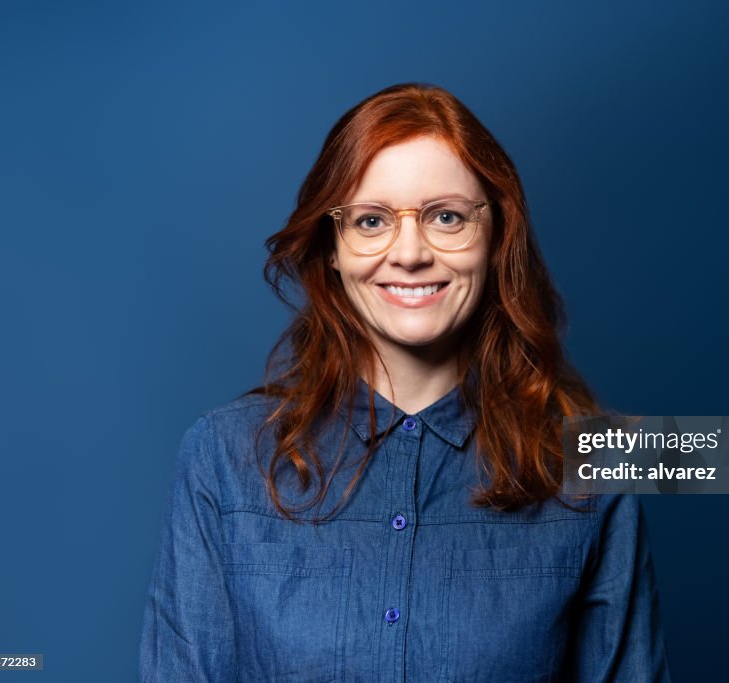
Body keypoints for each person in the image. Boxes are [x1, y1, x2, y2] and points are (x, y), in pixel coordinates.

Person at [139, 83, 670, 682]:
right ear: (332, 248)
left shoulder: (598, 460)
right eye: (371, 220)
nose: (410, 253)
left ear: (496, 238)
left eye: (447, 217)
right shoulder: (220, 457)